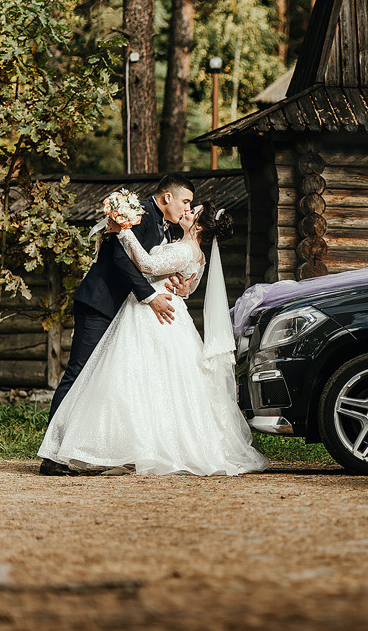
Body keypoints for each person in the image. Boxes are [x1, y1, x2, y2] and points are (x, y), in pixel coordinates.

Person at [38, 203, 268, 476]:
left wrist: (124, 231)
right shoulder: (195, 253)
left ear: (199, 226)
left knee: (133, 379)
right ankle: (137, 446)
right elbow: (188, 288)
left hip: (153, 314)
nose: (187, 211)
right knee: (153, 382)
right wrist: (183, 288)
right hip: (163, 312)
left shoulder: (186, 249)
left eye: (192, 212)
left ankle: (134, 447)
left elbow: (148, 265)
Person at [40, 175, 196, 476]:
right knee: (78, 374)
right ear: (167, 197)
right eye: (185, 201)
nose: (186, 208)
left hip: (123, 310)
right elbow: (121, 260)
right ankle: (51, 456)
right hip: (100, 304)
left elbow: (148, 264)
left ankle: (86, 449)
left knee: (104, 381)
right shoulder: (140, 215)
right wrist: (150, 296)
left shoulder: (164, 225)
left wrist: (178, 283)